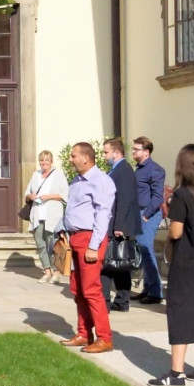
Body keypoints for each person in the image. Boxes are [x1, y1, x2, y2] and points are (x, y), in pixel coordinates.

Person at [148, 145, 194, 386]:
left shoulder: (182, 195)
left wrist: (171, 206)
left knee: (180, 311)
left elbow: (176, 232)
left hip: (187, 260)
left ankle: (176, 374)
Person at [61, 141, 116, 353]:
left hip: (90, 239)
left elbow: (103, 214)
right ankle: (84, 333)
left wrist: (93, 246)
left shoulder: (101, 181)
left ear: (86, 157)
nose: (70, 159)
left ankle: (104, 338)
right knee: (77, 289)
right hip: (75, 238)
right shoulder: (76, 180)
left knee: (92, 290)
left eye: (74, 155)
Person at [100, 137, 141, 312]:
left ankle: (105, 302)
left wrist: (118, 226)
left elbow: (123, 200)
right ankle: (122, 301)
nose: (104, 156)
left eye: (106, 152)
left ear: (116, 153)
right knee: (119, 264)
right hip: (117, 223)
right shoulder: (116, 169)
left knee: (108, 264)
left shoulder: (123, 170)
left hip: (118, 225)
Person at [131, 136, 166, 305]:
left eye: (136, 149)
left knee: (146, 248)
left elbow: (158, 196)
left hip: (148, 213)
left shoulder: (155, 170)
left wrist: (146, 215)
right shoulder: (139, 169)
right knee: (142, 250)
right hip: (138, 212)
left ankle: (156, 292)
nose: (133, 152)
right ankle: (147, 288)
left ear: (146, 152)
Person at [24, 149, 67, 282]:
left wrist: (49, 197)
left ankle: (56, 272)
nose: (44, 163)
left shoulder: (58, 175)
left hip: (52, 215)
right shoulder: (35, 175)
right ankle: (47, 271)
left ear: (51, 161)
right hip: (37, 214)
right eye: (41, 160)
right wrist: (30, 196)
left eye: (46, 160)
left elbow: (65, 195)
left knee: (52, 244)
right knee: (40, 244)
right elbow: (27, 193)